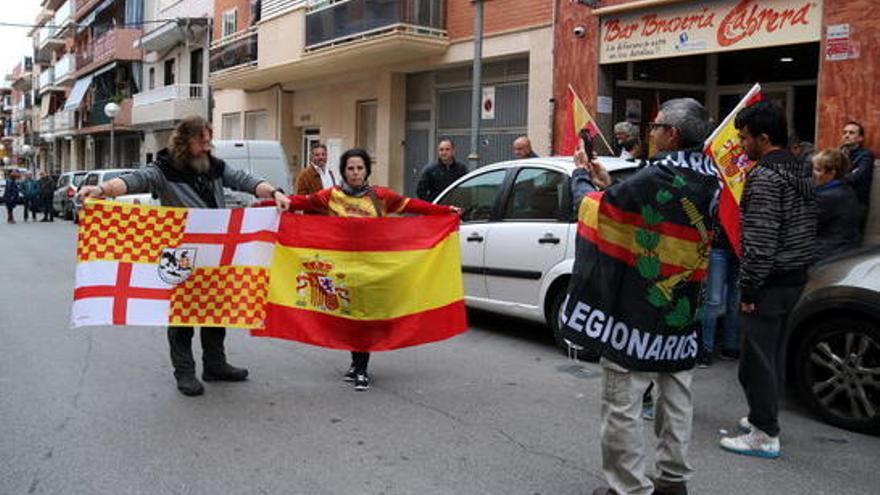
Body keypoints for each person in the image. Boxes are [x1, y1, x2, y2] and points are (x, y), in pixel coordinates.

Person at [77, 115, 292, 397]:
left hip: (214, 256)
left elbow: (243, 179)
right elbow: (135, 180)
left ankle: (215, 364)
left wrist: (273, 191)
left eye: (208, 140)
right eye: (201, 141)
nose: (207, 146)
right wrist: (102, 189)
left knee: (216, 311)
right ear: (185, 141)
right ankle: (185, 372)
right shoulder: (164, 170)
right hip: (182, 257)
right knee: (182, 315)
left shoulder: (214, 166)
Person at [568, 98, 719, 495]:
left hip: (636, 307)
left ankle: (630, 487)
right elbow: (638, 203)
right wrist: (610, 184)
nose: (648, 133)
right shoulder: (711, 177)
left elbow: (595, 210)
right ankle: (673, 479)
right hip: (682, 309)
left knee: (622, 398)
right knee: (677, 393)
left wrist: (580, 177)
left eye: (654, 127)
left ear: (671, 134)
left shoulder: (658, 177)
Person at [286, 148, 459, 391]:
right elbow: (301, 202)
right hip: (341, 269)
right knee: (347, 317)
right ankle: (355, 364)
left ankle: (361, 369)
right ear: (344, 171)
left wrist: (445, 211)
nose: (355, 173)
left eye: (359, 168)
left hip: (372, 269)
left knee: (365, 318)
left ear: (367, 170)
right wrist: (269, 202)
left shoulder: (380, 196)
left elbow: (414, 205)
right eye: (350, 168)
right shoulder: (331, 196)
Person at [720, 101, 817, 459]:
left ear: (764, 138)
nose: (742, 146)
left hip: (770, 281)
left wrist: (749, 289)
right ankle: (764, 417)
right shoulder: (802, 169)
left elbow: (759, 242)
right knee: (772, 354)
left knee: (756, 359)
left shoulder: (764, 177)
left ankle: (764, 432)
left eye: (745, 138)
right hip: (794, 277)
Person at [697, 224, 741, 368]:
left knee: (734, 302)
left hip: (740, 247)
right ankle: (706, 349)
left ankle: (730, 346)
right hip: (719, 246)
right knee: (714, 300)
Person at [812, 148, 861, 260]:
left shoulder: (827, 196)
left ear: (831, 173)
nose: (813, 174)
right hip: (847, 248)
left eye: (818, 170)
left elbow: (805, 225)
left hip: (827, 252)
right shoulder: (846, 189)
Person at [840, 121, 874, 227]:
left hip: (856, 203)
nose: (846, 135)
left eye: (851, 133)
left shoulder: (865, 155)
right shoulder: (838, 153)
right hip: (838, 201)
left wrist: (837, 178)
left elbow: (856, 177)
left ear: (860, 138)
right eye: (845, 132)